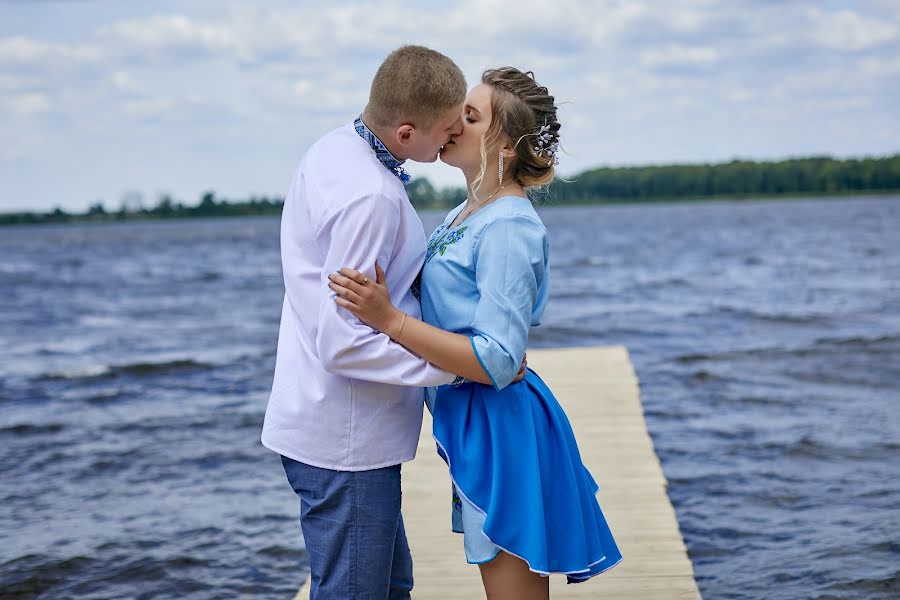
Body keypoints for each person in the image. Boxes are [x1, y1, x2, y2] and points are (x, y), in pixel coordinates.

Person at [327, 66, 623, 600]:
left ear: (505, 144)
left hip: (502, 428)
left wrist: (390, 320)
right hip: (475, 421)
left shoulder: (508, 225)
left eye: (470, 115)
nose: (452, 122)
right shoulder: (467, 213)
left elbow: (499, 359)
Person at [261, 46, 526, 600]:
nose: (452, 136)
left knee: (389, 584)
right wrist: (458, 372)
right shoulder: (370, 197)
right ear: (406, 134)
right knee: (359, 590)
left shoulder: (336, 147)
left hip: (328, 418)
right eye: (446, 128)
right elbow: (344, 345)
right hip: (345, 435)